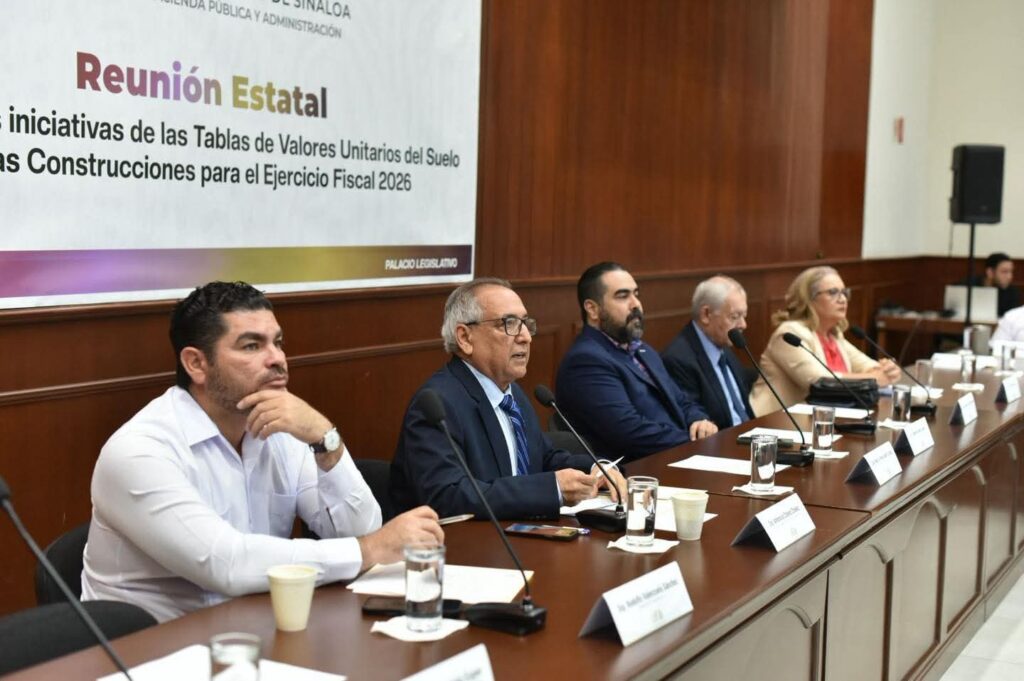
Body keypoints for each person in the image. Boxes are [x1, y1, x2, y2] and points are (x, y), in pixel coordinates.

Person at [82, 282, 443, 622]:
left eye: (278, 342)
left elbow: (363, 530)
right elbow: (227, 565)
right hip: (151, 649)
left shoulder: (282, 428)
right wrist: (368, 549)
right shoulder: (139, 451)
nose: (277, 359)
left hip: (256, 628)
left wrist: (326, 440)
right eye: (252, 346)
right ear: (196, 364)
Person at [390, 278, 625, 519]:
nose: (526, 337)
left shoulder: (512, 394)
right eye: (509, 323)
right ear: (465, 338)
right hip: (460, 539)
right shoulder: (437, 405)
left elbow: (541, 459)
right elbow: (449, 496)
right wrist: (552, 488)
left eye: (525, 323)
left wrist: (596, 469)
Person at [555, 262, 717, 462]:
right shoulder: (585, 361)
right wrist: (694, 442)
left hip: (678, 455)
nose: (636, 304)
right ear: (593, 309)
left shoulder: (642, 349)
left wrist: (699, 422)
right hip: (639, 470)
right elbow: (630, 432)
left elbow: (681, 400)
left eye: (636, 294)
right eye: (623, 296)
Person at [749, 266, 901, 416]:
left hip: (819, 419)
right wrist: (874, 378)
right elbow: (819, 382)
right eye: (833, 292)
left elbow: (869, 366)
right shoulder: (790, 334)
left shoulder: (833, 335)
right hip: (775, 420)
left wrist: (888, 370)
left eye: (844, 293)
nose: (842, 299)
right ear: (809, 298)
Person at [662, 275, 754, 430]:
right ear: (706, 315)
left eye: (744, 316)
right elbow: (695, 418)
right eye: (734, 317)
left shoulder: (724, 347)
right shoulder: (679, 359)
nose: (743, 325)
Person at [973, 252, 1020, 317]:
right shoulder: (969, 285)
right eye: (1004, 272)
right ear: (990, 272)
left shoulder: (1012, 293)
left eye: (1011, 272)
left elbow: (1012, 318)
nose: (1010, 276)